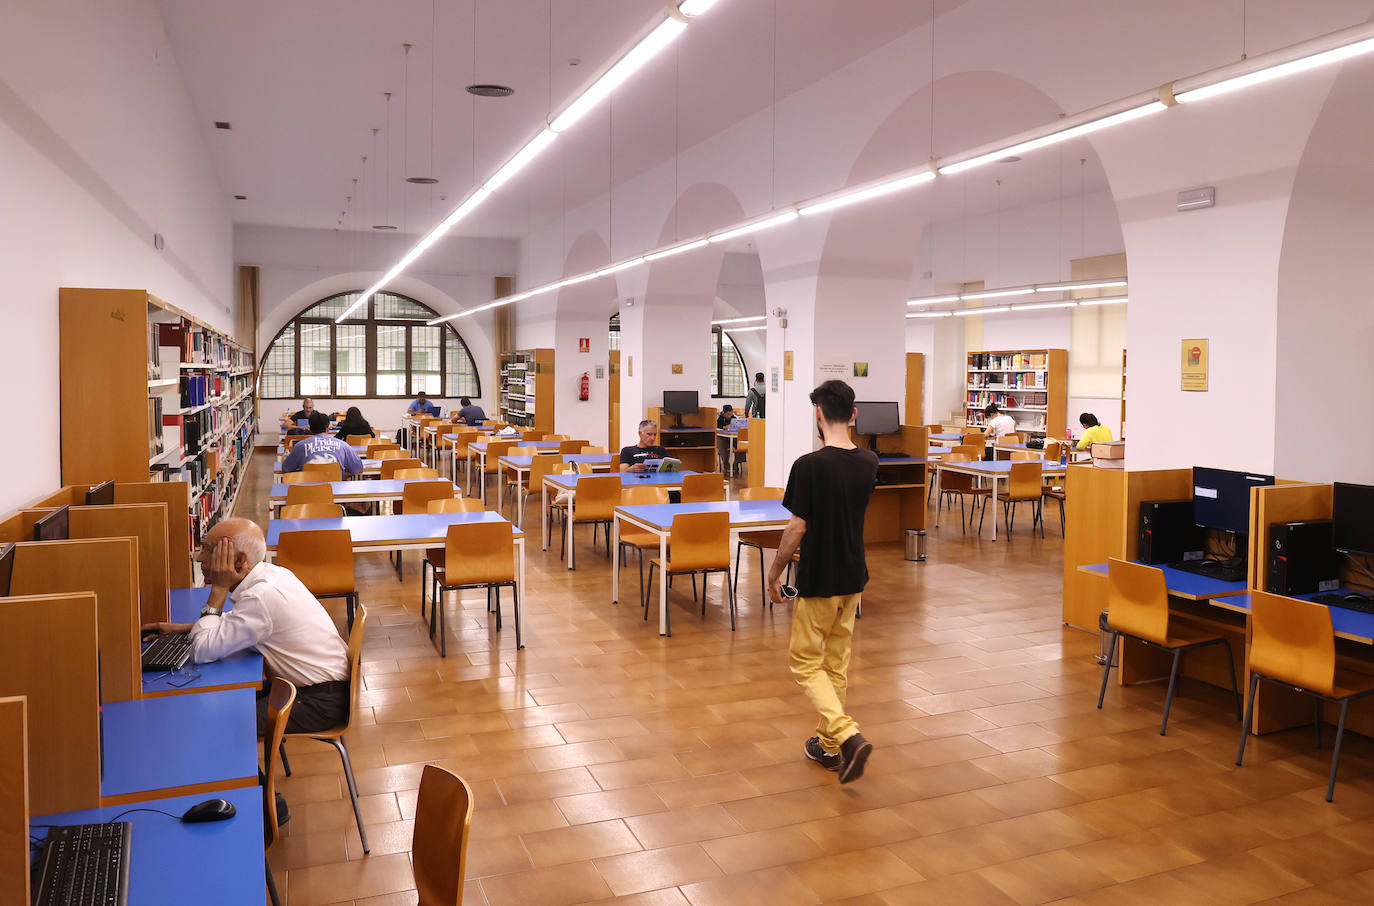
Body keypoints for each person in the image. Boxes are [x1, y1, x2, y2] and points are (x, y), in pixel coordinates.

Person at [141, 519, 351, 736]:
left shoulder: (261, 597)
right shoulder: (272, 574)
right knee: (219, 707)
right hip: (314, 687)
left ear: (239, 561)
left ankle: (248, 771)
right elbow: (240, 620)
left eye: (210, 550)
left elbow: (200, 651)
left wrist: (219, 589)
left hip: (318, 702)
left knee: (218, 727)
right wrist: (183, 628)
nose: (200, 558)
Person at [769, 379, 877, 784]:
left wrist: (775, 571)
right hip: (853, 577)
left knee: (804, 662)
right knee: (835, 664)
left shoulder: (808, 466)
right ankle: (828, 746)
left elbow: (797, 529)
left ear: (818, 414)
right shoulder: (869, 462)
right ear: (853, 415)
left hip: (819, 578)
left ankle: (847, 735)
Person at [282, 412, 363, 476]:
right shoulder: (343, 445)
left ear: (310, 429)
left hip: (309, 492)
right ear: (328, 428)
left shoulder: (300, 446)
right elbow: (358, 468)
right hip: (335, 490)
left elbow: (286, 468)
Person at [716, 405, 737, 473]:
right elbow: (717, 428)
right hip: (721, 437)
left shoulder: (733, 418)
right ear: (723, 413)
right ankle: (726, 465)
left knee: (739, 443)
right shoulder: (719, 418)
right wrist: (724, 427)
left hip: (731, 437)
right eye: (728, 414)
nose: (729, 416)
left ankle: (736, 464)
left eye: (731, 414)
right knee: (722, 446)